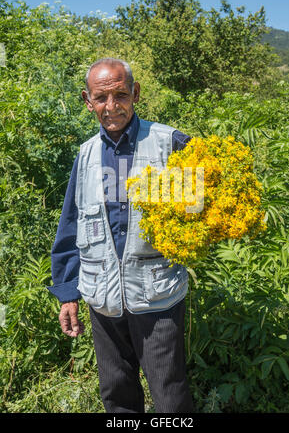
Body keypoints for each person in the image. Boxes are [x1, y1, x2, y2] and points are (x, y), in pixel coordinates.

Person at [48, 57, 194, 413]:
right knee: (117, 395)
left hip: (157, 297)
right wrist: (68, 292)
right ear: (88, 101)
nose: (111, 107)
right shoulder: (85, 156)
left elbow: (204, 203)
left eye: (121, 95)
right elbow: (70, 227)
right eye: (101, 98)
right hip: (103, 299)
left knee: (170, 397)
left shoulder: (169, 143)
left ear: (136, 94)